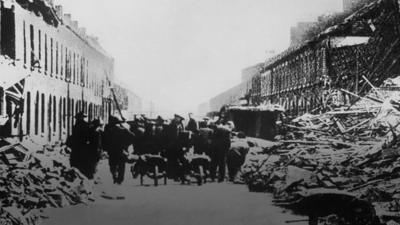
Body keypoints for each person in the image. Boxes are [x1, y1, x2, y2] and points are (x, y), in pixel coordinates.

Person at [103, 116, 135, 184]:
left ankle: (114, 176)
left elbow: (104, 141)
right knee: (121, 165)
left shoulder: (108, 131)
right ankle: (120, 180)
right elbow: (132, 136)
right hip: (121, 150)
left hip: (112, 151)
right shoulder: (123, 129)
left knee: (112, 165)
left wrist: (106, 148)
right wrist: (126, 144)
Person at [67, 112, 91, 178]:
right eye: (78, 118)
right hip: (80, 146)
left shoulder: (81, 125)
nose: (78, 119)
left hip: (79, 146)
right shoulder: (84, 125)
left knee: (77, 161)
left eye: (79, 117)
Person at [165, 114, 185, 180]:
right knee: (174, 161)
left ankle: (176, 175)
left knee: (175, 161)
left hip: (176, 146)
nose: (180, 120)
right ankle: (174, 175)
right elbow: (173, 136)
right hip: (173, 146)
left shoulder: (179, 125)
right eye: (179, 118)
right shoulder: (173, 125)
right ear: (176, 118)